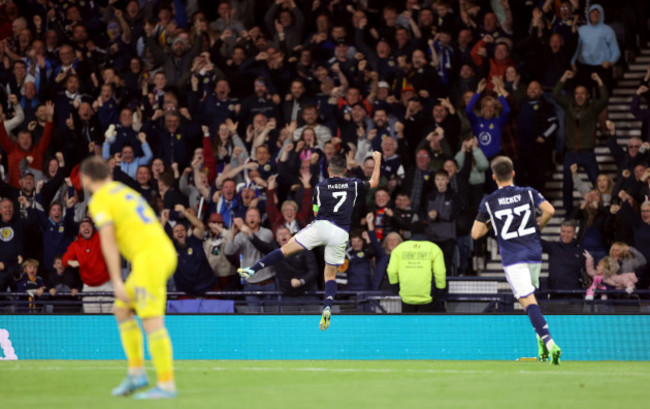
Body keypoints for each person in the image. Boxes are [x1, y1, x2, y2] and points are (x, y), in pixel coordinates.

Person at [238, 151, 382, 330]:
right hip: (339, 233)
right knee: (330, 275)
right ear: (345, 170)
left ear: (329, 170)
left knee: (284, 250)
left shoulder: (320, 186)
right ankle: (327, 307)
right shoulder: (353, 183)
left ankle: (252, 270)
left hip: (321, 226)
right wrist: (377, 160)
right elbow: (374, 182)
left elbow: (315, 211)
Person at [81, 156, 177, 399]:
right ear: (108, 175)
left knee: (151, 320)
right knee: (122, 309)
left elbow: (109, 241)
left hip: (149, 258)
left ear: (85, 179)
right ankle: (137, 374)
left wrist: (116, 281)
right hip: (156, 252)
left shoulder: (100, 198)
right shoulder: (123, 191)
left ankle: (166, 384)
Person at [471, 156, 561, 364]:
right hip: (534, 253)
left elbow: (476, 233)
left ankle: (549, 343)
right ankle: (542, 346)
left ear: (493, 177)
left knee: (527, 301)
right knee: (530, 299)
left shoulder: (490, 201)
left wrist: (493, 222)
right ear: (513, 173)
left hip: (513, 257)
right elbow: (550, 210)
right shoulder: (528, 192)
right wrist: (540, 226)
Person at [386, 222, 447, 312]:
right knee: (427, 325)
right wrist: (440, 291)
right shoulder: (434, 248)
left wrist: (396, 287)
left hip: (406, 296)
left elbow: (391, 271)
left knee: (409, 325)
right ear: (425, 231)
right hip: (428, 297)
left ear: (411, 232)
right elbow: (440, 272)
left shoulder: (400, 248)